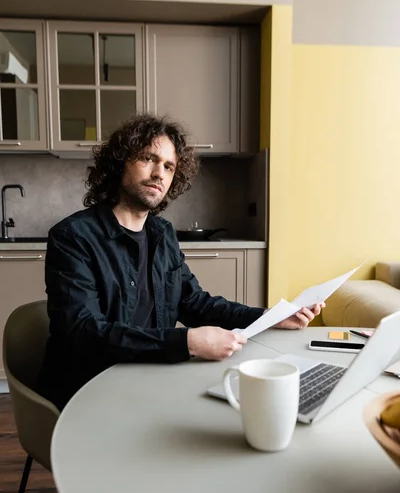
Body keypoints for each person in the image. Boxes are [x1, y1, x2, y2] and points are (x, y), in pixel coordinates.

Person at [38, 114, 324, 410]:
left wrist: (270, 317)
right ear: (120, 161)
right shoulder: (73, 237)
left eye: (168, 166)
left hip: (149, 378)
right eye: (149, 159)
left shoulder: (162, 234)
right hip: (88, 391)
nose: (159, 173)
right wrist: (186, 342)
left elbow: (195, 303)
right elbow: (84, 333)